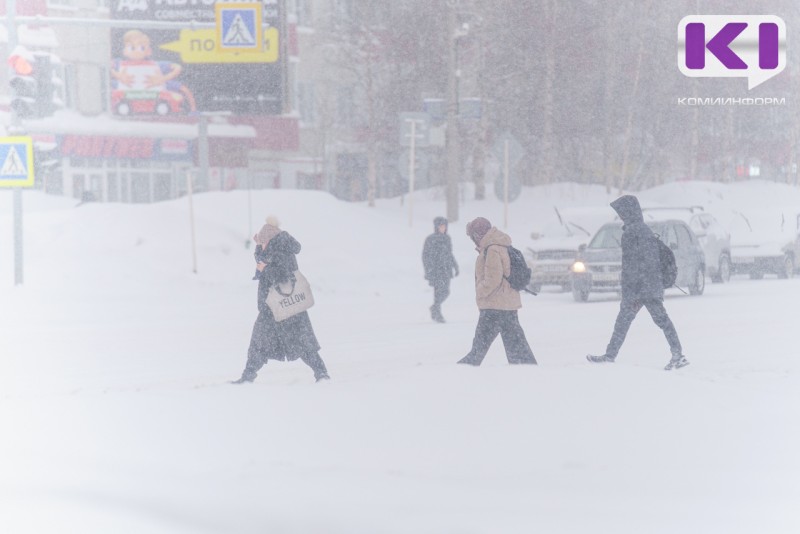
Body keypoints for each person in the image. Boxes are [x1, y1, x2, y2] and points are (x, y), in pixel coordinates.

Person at [587, 195, 689, 370]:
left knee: (631, 322)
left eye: (621, 212)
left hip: (640, 288)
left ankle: (677, 355)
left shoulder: (632, 232)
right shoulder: (643, 230)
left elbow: (634, 265)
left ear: (627, 212)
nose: (620, 216)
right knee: (654, 321)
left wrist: (631, 289)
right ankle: (677, 354)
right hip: (648, 286)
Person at [232, 219, 330, 384]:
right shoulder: (273, 248)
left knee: (303, 345)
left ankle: (322, 374)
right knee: (259, 343)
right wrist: (259, 248)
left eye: (262, 242)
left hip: (287, 307)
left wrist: (265, 269)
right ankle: (247, 377)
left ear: (270, 240)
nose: (261, 245)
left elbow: (283, 276)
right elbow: (261, 260)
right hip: (273, 308)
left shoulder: (282, 251)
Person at [457, 217, 537, 366]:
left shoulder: (492, 249)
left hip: (494, 306)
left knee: (478, 349)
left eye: (473, 236)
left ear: (478, 235)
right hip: (507, 304)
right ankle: (529, 371)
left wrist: (480, 292)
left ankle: (461, 371)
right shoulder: (501, 245)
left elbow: (493, 279)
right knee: (518, 348)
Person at [422, 216, 459, 323]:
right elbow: (425, 256)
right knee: (438, 292)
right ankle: (437, 313)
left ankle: (434, 308)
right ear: (436, 227)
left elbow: (450, 254)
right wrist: (428, 270)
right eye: (441, 226)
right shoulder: (430, 239)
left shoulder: (447, 238)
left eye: (445, 226)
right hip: (436, 270)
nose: (443, 228)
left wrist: (455, 266)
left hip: (446, 270)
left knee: (446, 291)